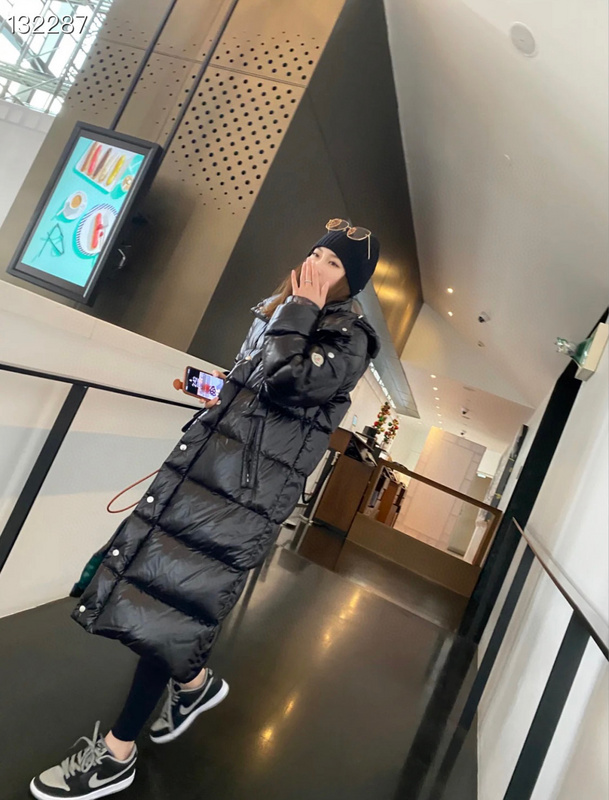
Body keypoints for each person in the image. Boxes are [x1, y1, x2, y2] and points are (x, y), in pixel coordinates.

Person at [30, 219, 381, 800]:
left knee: (169, 609)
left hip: (241, 498)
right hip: (207, 472)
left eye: (335, 263)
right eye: (317, 253)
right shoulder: (284, 314)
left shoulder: (350, 337)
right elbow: (256, 395)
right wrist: (213, 390)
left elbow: (291, 383)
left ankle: (117, 754)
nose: (318, 266)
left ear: (353, 282)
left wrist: (299, 308)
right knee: (170, 596)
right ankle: (193, 685)